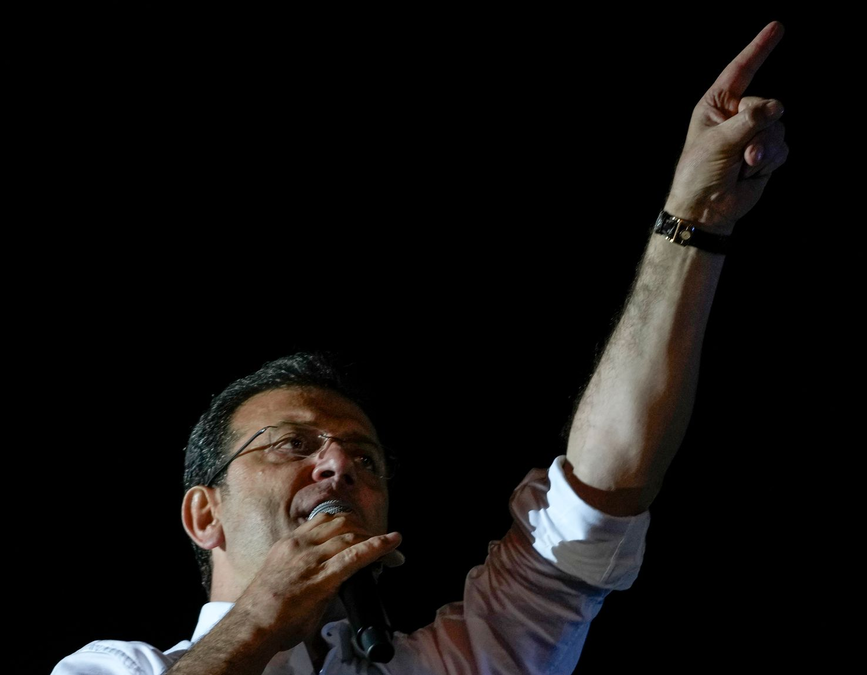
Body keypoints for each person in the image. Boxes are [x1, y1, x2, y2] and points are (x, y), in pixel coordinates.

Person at [52, 20, 789, 675]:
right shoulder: (115, 668)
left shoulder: (451, 664)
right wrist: (259, 620)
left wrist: (695, 216)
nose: (339, 465)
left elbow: (602, 493)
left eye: (365, 459)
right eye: (292, 444)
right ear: (203, 514)